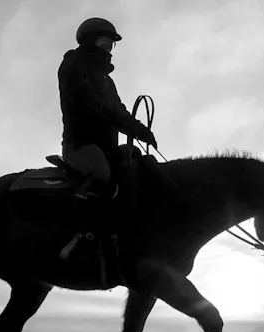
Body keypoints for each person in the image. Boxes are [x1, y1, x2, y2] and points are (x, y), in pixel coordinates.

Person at [57, 17, 178, 262]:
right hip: (81, 145)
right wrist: (129, 126)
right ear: (90, 40)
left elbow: (118, 110)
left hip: (107, 146)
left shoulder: (106, 80)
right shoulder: (73, 66)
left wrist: (141, 130)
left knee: (138, 168)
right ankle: (84, 234)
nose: (109, 49)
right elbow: (94, 106)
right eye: (105, 42)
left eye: (112, 45)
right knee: (102, 174)